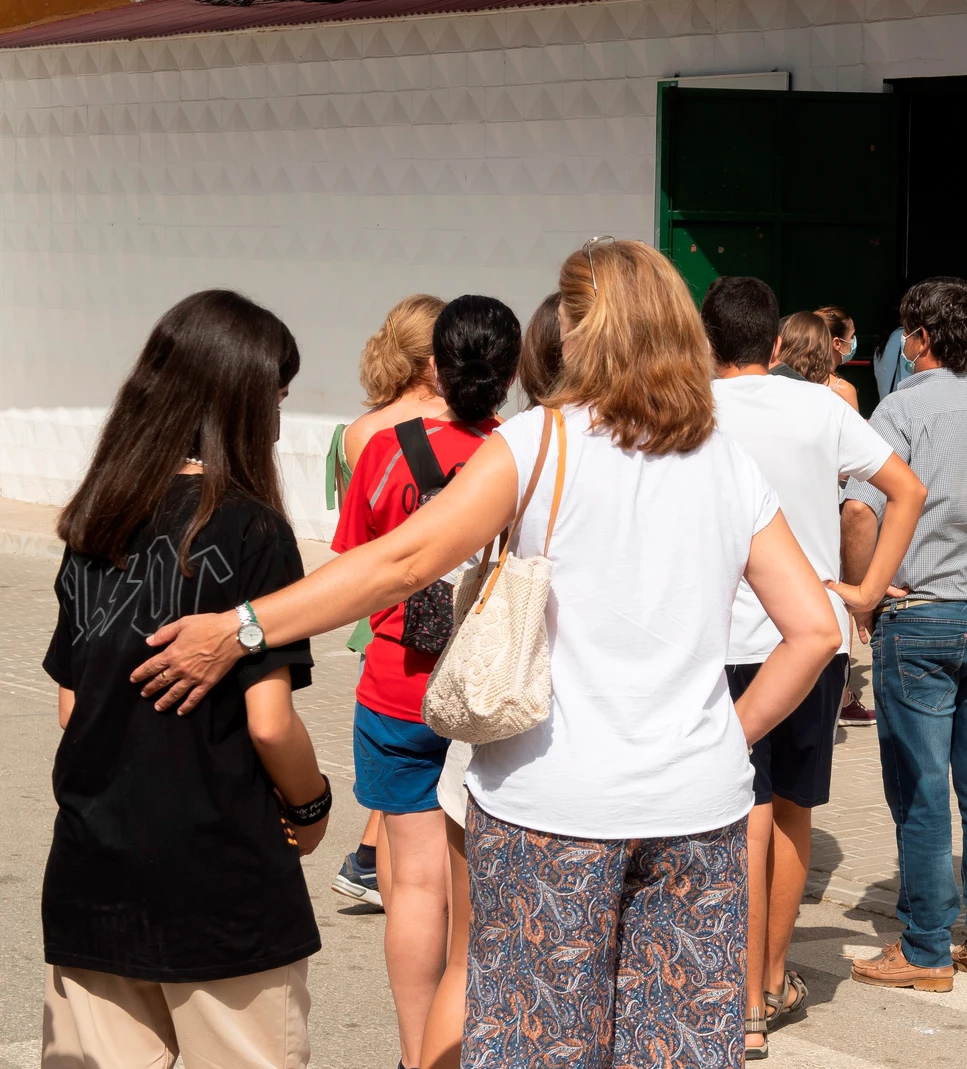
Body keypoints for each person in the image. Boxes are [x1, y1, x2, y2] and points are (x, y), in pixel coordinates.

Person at [135, 239, 839, 1067]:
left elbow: (398, 562)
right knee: (674, 1051)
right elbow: (817, 631)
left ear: (584, 331)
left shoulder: (539, 441)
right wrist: (725, 734)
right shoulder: (723, 458)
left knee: (540, 1044)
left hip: (553, 810)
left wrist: (245, 624)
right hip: (700, 810)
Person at [41, 290, 329, 1069]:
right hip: (222, 880)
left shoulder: (96, 517)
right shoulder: (256, 530)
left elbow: (73, 705)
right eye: (277, 392)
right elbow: (270, 722)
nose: (279, 412)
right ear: (240, 397)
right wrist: (311, 804)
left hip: (93, 869)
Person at [706, 277, 926, 1059]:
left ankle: (740, 1004)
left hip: (720, 637)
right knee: (794, 806)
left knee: (744, 807)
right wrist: (866, 591)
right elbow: (906, 489)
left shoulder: (690, 406)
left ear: (708, 343)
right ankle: (769, 983)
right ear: (774, 345)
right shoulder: (823, 405)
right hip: (816, 635)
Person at [331, 294, 520, 1069]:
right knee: (476, 914)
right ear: (509, 375)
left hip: (397, 687)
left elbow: (355, 568)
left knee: (411, 886)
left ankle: (416, 1056)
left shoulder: (381, 449)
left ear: (435, 365)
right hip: (490, 698)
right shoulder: (525, 453)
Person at [840, 277, 967, 993]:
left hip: (920, 613)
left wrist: (865, 592)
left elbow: (861, 512)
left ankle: (924, 947)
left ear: (918, 339)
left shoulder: (899, 410)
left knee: (922, 790)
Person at [416, 290, 559, 1069]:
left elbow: (414, 566)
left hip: (503, 737)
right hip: (632, 771)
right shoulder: (687, 458)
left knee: (470, 954)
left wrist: (254, 623)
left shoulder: (520, 448)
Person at [329, 294, 449, 911]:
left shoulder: (362, 432)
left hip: (385, 617)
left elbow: (361, 539)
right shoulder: (478, 431)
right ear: (433, 359)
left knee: (399, 778)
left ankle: (378, 865)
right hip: (450, 623)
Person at [813, 305, 862, 410]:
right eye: (851, 336)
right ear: (837, 343)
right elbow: (852, 426)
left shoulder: (795, 377)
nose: (853, 341)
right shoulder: (845, 390)